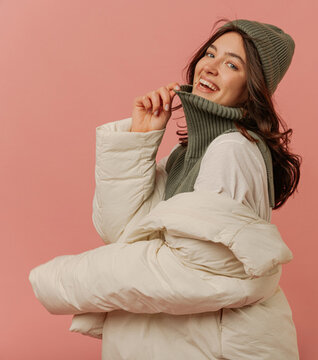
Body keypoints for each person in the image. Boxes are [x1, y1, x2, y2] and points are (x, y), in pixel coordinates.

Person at [28, 18, 302, 359]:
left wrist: (64, 281)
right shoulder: (184, 154)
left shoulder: (231, 151)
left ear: (253, 89)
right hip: (157, 342)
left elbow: (192, 272)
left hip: (197, 347)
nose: (211, 67)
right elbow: (123, 231)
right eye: (211, 53)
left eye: (232, 64)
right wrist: (140, 140)